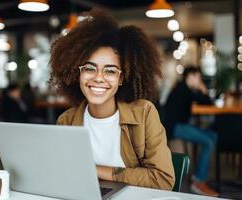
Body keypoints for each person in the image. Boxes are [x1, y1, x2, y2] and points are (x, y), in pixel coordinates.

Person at [49, 9, 175, 190]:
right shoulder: (66, 121)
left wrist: (96, 170)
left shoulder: (144, 114)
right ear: (78, 73)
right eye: (90, 69)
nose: (98, 78)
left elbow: (163, 180)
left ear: (122, 78)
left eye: (110, 71)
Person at [164, 66, 218, 196]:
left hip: (180, 125)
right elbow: (208, 102)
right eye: (198, 77)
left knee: (213, 136)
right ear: (190, 77)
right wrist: (203, 90)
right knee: (208, 142)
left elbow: (206, 103)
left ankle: (199, 174)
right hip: (175, 128)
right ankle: (198, 181)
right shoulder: (184, 90)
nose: (199, 81)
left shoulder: (183, 88)